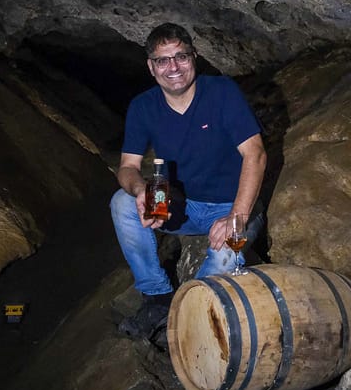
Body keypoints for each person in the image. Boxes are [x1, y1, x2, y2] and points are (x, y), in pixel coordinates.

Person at [110, 23, 267, 340]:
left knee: (224, 257)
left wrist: (236, 216)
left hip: (230, 206)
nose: (173, 68)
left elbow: (256, 154)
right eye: (163, 60)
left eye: (181, 56)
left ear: (194, 57)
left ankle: (185, 317)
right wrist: (140, 190)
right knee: (121, 202)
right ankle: (157, 297)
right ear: (151, 67)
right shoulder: (143, 107)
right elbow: (127, 166)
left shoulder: (222, 92)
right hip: (183, 206)